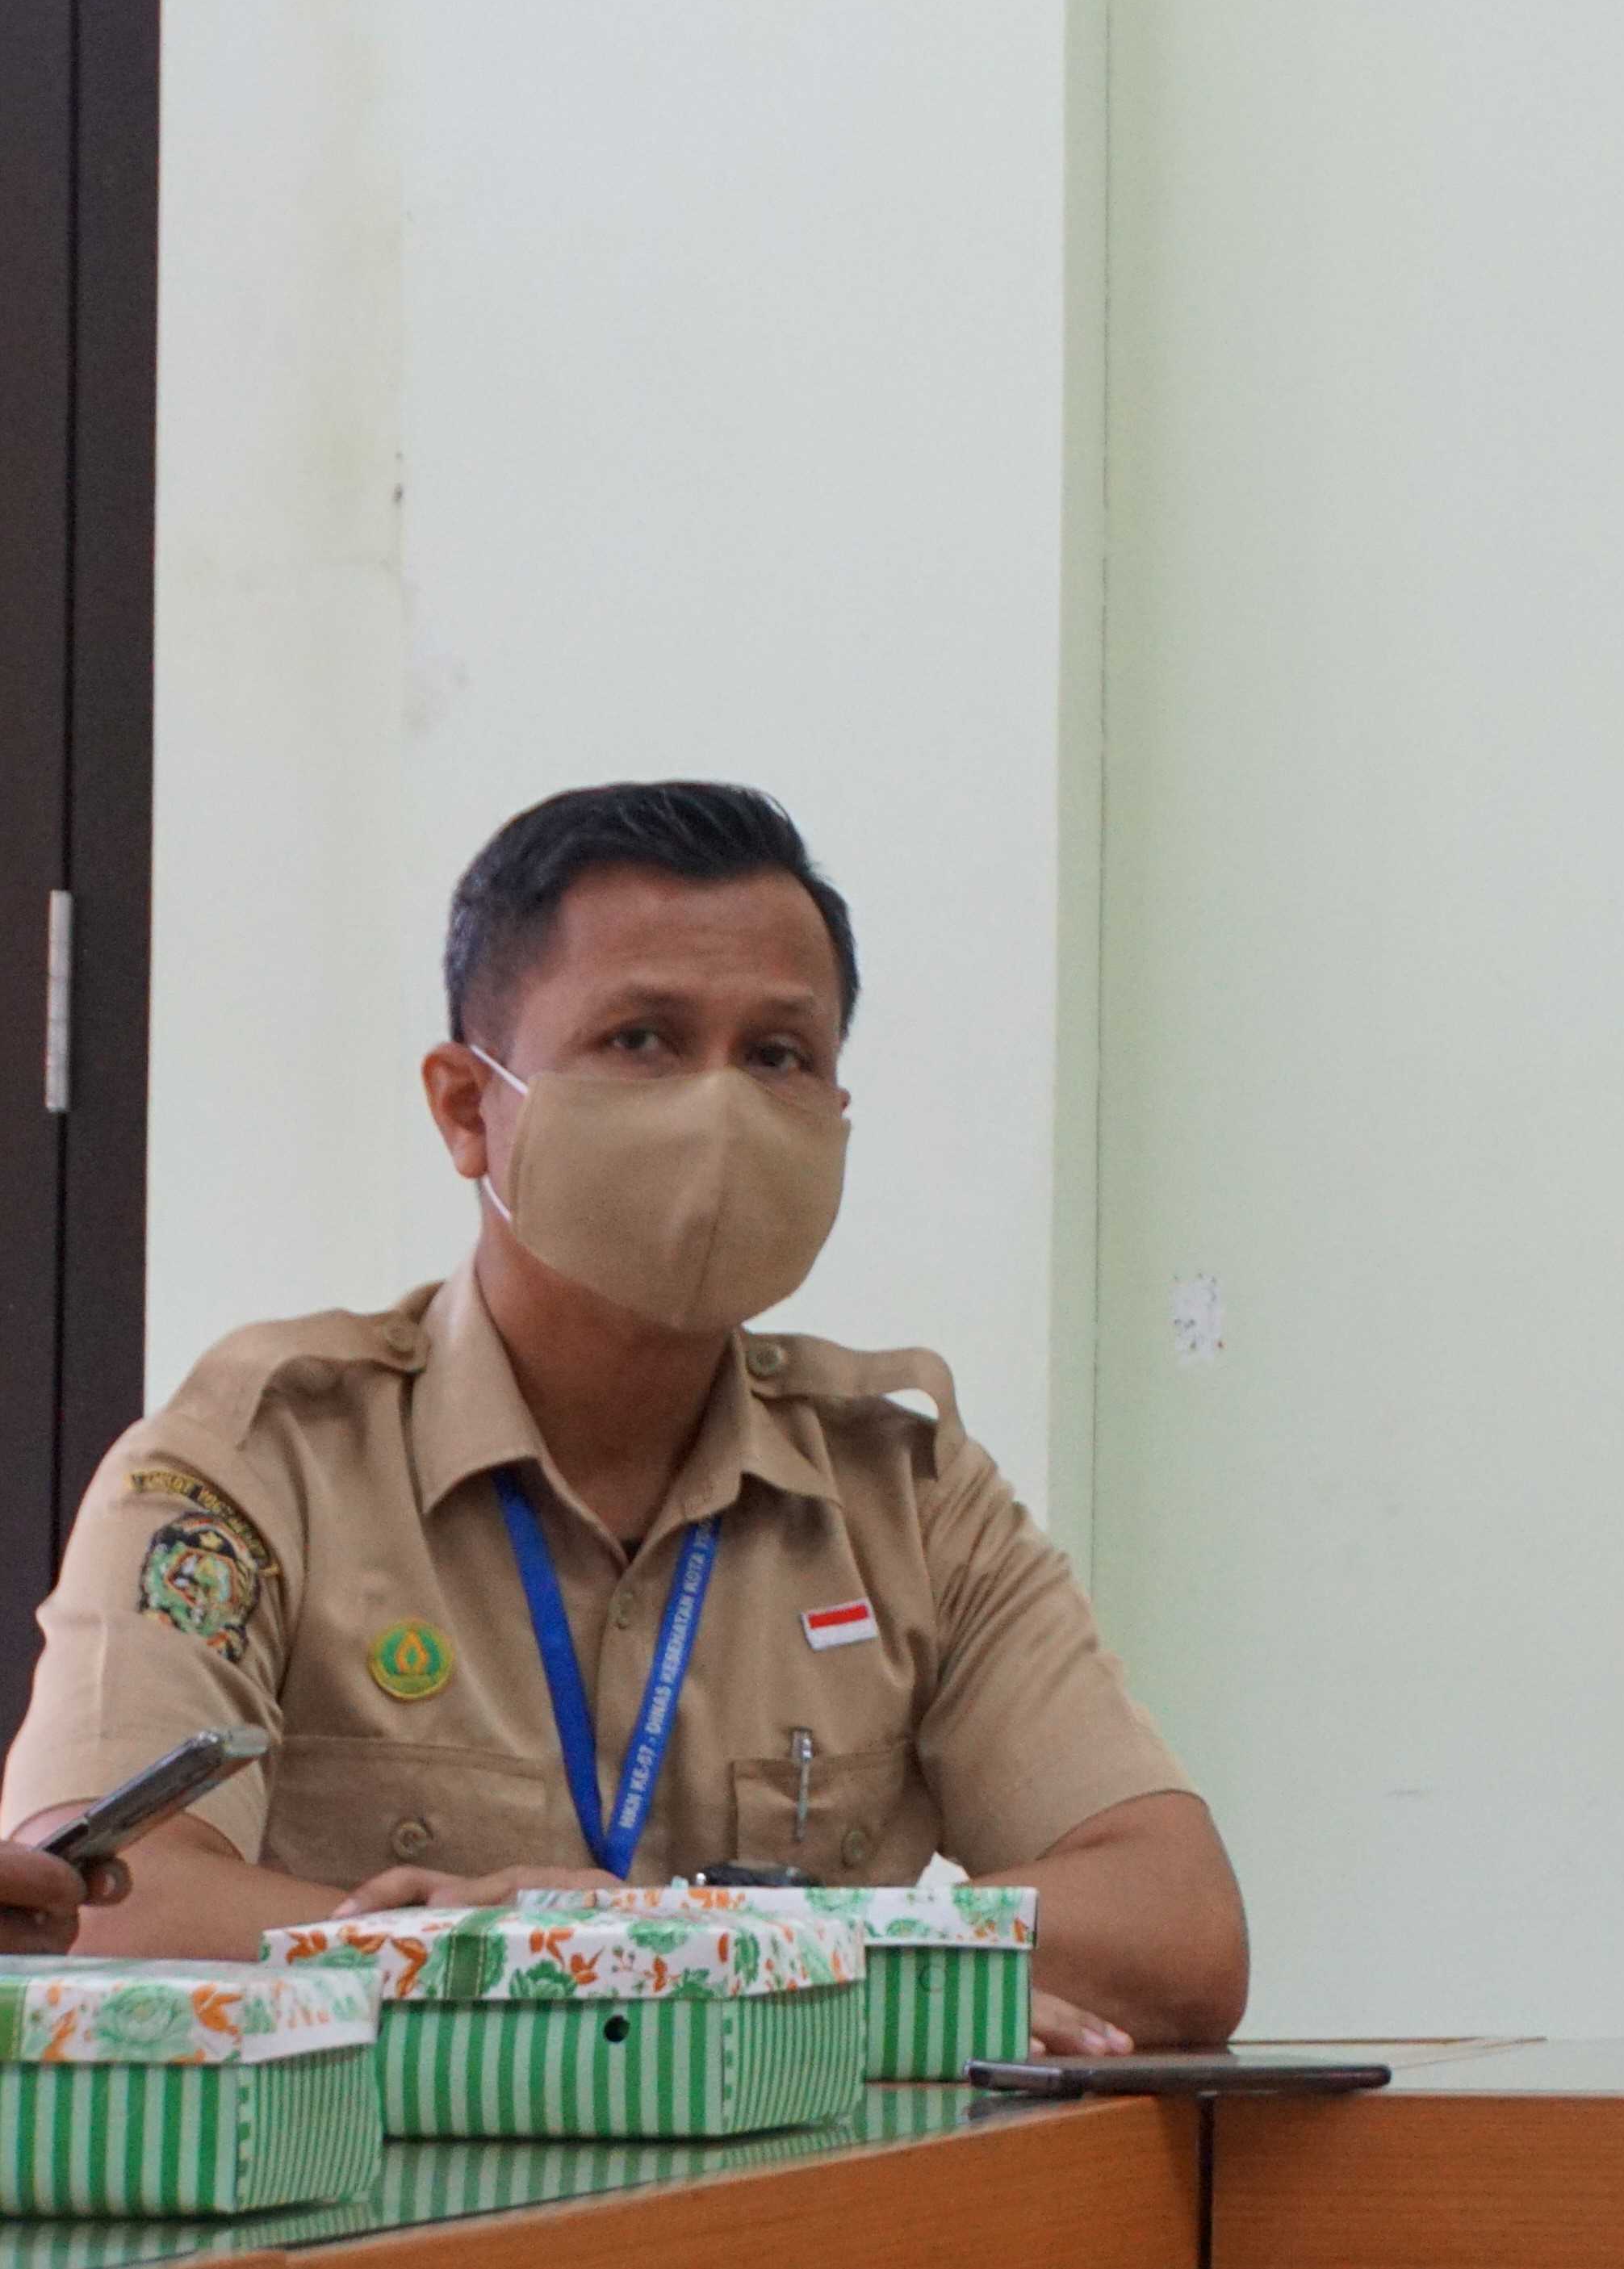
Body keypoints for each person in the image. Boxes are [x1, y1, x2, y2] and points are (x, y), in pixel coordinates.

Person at [2, 783, 1247, 2049]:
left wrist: (714, 1956)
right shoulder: (256, 1466)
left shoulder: (905, 1496)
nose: (718, 1109)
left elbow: (1174, 1924)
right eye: (642, 1039)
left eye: (778, 1055)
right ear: (466, 1107)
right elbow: (100, 1917)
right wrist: (565, 1969)